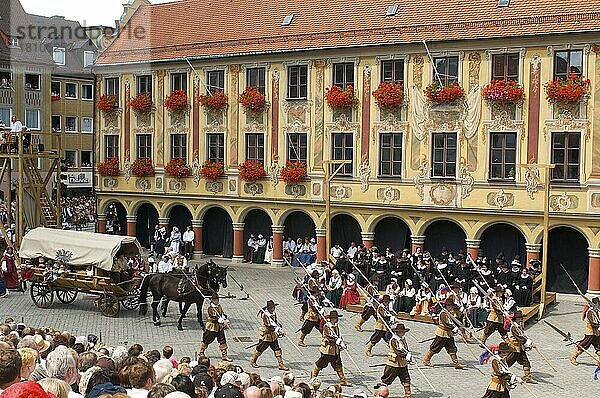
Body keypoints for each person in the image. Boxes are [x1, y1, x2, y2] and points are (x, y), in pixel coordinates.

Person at [311, 310, 351, 387]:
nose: (335, 319)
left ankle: (343, 380)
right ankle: (314, 376)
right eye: (334, 318)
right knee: (321, 363)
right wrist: (337, 341)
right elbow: (327, 337)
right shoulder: (326, 326)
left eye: (336, 318)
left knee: (338, 363)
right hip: (328, 349)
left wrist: (341, 342)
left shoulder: (336, 326)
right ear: (331, 318)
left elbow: (338, 336)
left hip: (335, 349)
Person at [422, 300, 466, 369]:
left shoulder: (449, 313)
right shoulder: (443, 313)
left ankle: (456, 363)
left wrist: (459, 323)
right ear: (447, 306)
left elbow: (454, 321)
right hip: (442, 333)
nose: (452, 307)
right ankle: (426, 360)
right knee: (435, 347)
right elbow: (446, 324)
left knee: (452, 348)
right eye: (451, 306)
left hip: (448, 334)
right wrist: (453, 328)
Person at [250, 300, 289, 371]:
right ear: (268, 308)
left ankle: (281, 364)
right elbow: (269, 326)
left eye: (273, 307)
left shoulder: (274, 314)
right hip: (266, 335)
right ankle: (253, 361)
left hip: (273, 335)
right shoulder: (265, 315)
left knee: (277, 348)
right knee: (260, 348)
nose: (273, 309)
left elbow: (276, 323)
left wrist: (280, 329)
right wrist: (278, 330)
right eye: (271, 308)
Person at [505, 310, 537, 384]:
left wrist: (530, 342)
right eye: (520, 318)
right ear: (516, 318)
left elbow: (523, 336)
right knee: (507, 362)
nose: (521, 319)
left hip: (520, 348)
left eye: (521, 318)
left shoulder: (518, 326)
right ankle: (500, 372)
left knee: (526, 362)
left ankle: (528, 377)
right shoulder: (514, 327)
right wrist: (529, 343)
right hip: (514, 348)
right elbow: (520, 338)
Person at [380, 323, 412, 398]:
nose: (402, 333)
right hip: (393, 364)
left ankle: (408, 395)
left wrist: (409, 356)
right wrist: (406, 355)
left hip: (403, 363)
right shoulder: (394, 340)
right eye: (400, 332)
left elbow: (405, 349)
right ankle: (381, 394)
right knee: (386, 379)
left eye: (403, 332)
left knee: (406, 379)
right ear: (397, 332)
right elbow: (398, 351)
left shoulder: (403, 339)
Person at [199, 293, 232, 362]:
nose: (217, 301)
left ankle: (224, 356)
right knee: (207, 339)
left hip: (219, 327)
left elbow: (222, 314)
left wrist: (226, 320)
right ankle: (201, 352)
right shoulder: (210, 308)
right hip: (212, 326)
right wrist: (222, 321)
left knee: (222, 340)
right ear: (212, 300)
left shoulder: (219, 306)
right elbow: (214, 317)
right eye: (216, 299)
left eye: (218, 299)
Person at [571, 296, 600, 365]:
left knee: (599, 346)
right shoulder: (590, 312)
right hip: (590, 332)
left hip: (596, 333)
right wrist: (598, 325)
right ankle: (573, 357)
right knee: (584, 344)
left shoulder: (596, 312)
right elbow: (593, 323)